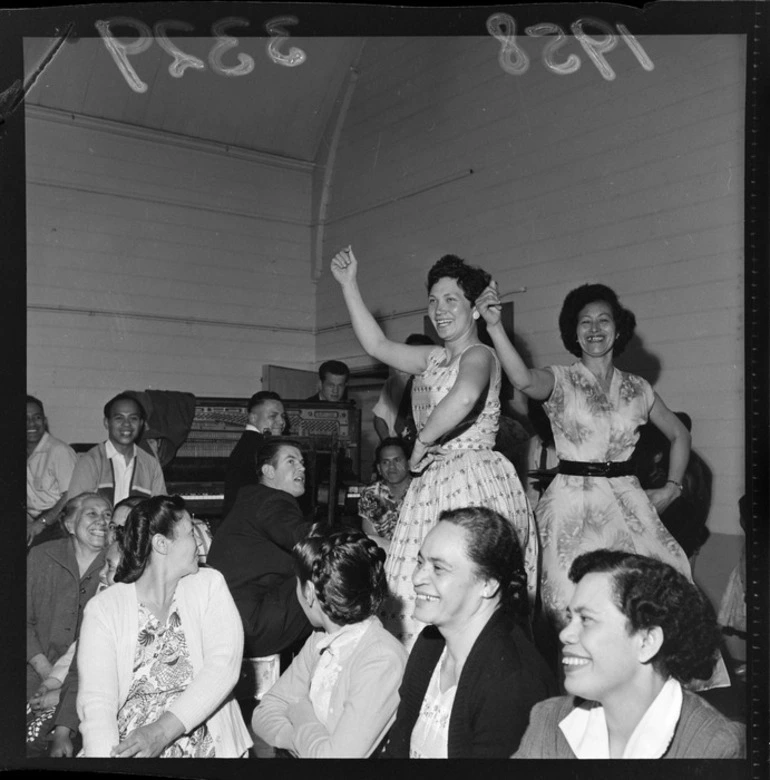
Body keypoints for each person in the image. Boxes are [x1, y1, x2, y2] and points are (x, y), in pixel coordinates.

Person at [330, 247, 537, 648]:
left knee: (465, 591)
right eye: (433, 300)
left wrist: (420, 443)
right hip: (432, 484)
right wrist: (349, 285)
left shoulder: (481, 354)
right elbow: (376, 344)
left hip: (473, 480)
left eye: (451, 300)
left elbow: (463, 398)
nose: (440, 310)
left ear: (475, 309)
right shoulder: (433, 357)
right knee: (415, 591)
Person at [475, 282, 694, 630]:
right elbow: (522, 378)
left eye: (603, 320)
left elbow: (679, 434)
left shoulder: (639, 388)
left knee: (664, 585)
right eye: (585, 322)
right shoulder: (561, 379)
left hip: (627, 502)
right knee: (567, 603)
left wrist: (672, 487)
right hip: (571, 504)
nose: (595, 329)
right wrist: (494, 326)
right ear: (574, 334)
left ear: (618, 329)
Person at [513, 549, 745, 758]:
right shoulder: (548, 721)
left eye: (586, 619)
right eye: (569, 618)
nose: (565, 634)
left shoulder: (713, 748)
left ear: (646, 642)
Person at [77, 495, 251, 757]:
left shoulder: (209, 585)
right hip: (130, 749)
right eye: (192, 533)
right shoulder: (104, 609)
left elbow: (223, 668)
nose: (199, 543)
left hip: (209, 743)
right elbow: (97, 704)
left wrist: (161, 732)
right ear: (161, 544)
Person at [381, 507, 555, 758]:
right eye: (420, 562)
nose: (417, 577)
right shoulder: (430, 644)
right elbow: (398, 748)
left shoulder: (513, 682)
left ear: (488, 583)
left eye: (438, 568)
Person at [252, 526, 407, 757]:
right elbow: (264, 712)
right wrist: (299, 740)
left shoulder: (381, 659)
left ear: (309, 592)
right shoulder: (322, 638)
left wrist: (301, 711)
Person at [207, 439, 313, 658]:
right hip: (252, 625)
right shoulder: (272, 501)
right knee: (330, 581)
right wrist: (362, 540)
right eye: (291, 461)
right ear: (268, 471)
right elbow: (304, 537)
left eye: (302, 462)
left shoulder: (252, 499)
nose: (302, 468)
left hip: (230, 623)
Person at [32, 537, 123, 758]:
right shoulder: (103, 609)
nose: (101, 574)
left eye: (109, 566)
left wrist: (58, 697)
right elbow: (76, 661)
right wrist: (54, 683)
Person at [27, 493, 111, 699]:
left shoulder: (117, 566)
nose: (102, 521)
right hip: (35, 667)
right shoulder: (41, 555)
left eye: (108, 515)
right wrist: (47, 672)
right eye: (92, 514)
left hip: (91, 678)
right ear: (70, 524)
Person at [633, 412, 711, 558]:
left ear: (657, 455)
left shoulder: (666, 478)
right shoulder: (692, 466)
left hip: (673, 550)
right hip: (685, 546)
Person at [67, 393, 166, 506]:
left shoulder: (151, 465)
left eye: (133, 418)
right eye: (119, 418)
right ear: (106, 423)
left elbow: (160, 510)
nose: (126, 424)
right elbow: (75, 509)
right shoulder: (90, 461)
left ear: (141, 424)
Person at [223, 391, 286, 518]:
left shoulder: (249, 442)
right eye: (273, 416)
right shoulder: (261, 447)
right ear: (253, 418)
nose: (281, 422)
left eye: (282, 416)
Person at [26, 395, 78, 547]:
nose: (32, 423)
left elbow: (72, 496)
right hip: (33, 519)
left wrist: (42, 522)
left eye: (37, 417)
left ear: (45, 421)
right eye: (25, 418)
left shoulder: (59, 451)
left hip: (59, 519)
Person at [373, 334, 436, 443]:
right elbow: (379, 417)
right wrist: (388, 443)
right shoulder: (394, 382)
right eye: (411, 354)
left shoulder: (438, 384)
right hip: (397, 449)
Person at [358, 437, 412, 552]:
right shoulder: (371, 494)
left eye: (397, 460)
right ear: (379, 468)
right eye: (385, 462)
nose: (391, 467)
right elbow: (372, 538)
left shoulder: (423, 490)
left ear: (409, 463)